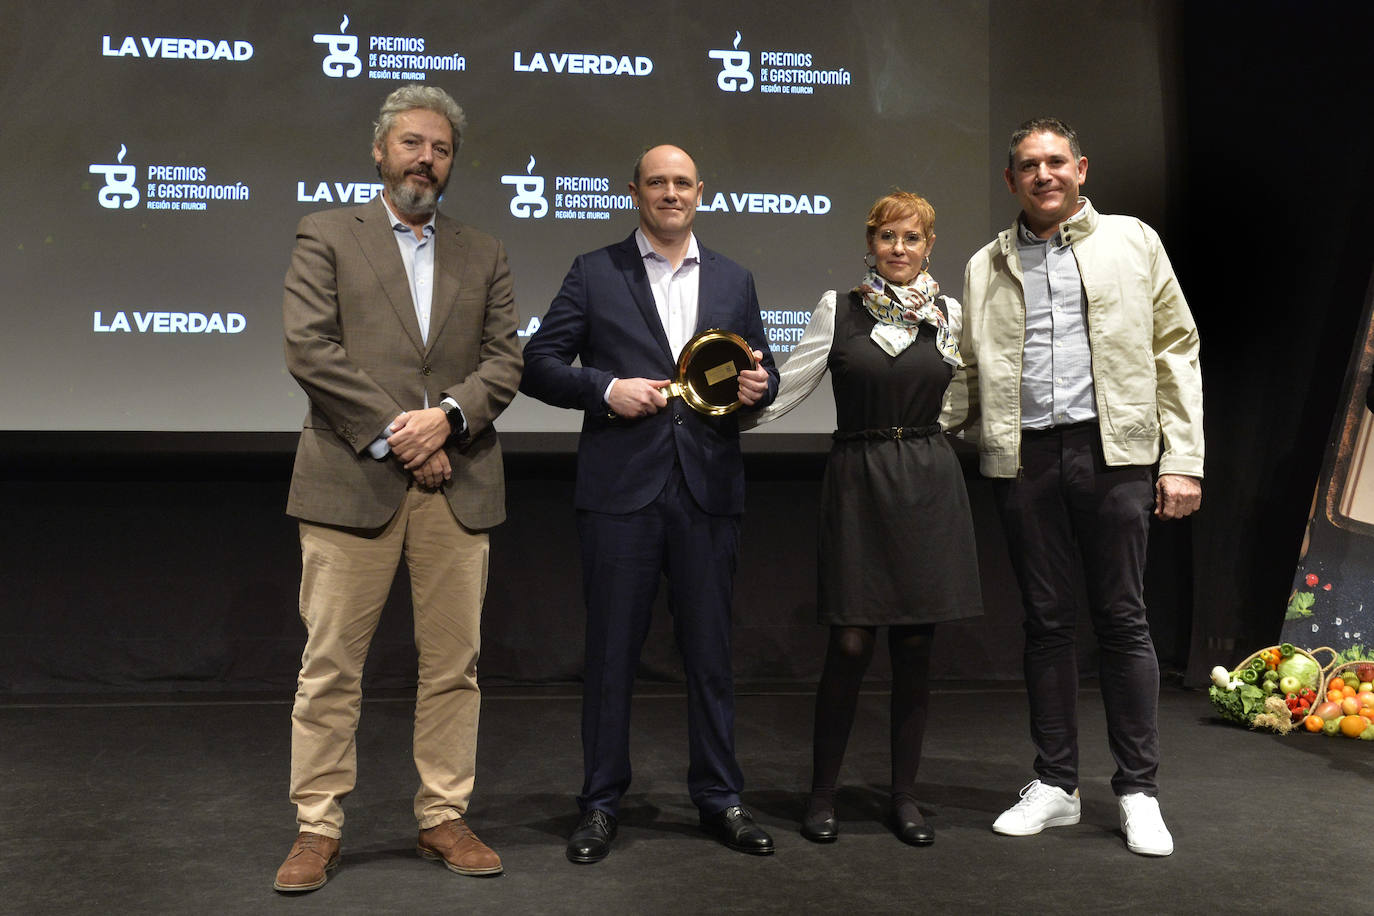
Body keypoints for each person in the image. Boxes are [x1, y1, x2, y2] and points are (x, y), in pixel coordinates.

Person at [273, 84, 523, 892]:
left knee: (454, 666)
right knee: (330, 668)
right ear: (380, 151)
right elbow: (310, 349)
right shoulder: (325, 234)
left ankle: (442, 816)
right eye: (412, 143)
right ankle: (317, 828)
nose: (426, 158)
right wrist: (400, 436)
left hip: (459, 483)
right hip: (353, 480)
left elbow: (505, 360)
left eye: (441, 148)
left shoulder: (483, 250)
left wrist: (446, 419)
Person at [945, 117, 1203, 857]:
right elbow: (966, 371)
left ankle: (1138, 791)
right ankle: (1057, 786)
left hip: (1113, 453)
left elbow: (1175, 348)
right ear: (1010, 180)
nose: (1044, 174)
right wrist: (903, 418)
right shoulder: (984, 264)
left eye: (1056, 161)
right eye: (1029, 165)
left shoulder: (1132, 240)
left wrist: (1182, 458)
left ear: (1081, 168)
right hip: (1024, 458)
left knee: (1123, 619)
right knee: (1046, 623)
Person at [519, 144, 780, 864]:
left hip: (707, 489)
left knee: (711, 657)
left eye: (682, 183)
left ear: (701, 191)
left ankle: (721, 798)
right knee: (609, 657)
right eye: (657, 182)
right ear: (633, 191)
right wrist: (603, 388)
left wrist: (765, 386)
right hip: (620, 493)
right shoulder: (594, 271)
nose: (670, 193)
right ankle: (600, 805)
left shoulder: (734, 277)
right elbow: (537, 364)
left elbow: (758, 366)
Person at [743, 191, 982, 847]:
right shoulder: (837, 309)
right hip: (858, 479)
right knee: (849, 646)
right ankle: (822, 797)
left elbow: (962, 398)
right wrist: (720, 422)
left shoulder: (949, 313)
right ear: (869, 243)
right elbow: (788, 386)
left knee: (914, 649)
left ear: (929, 245)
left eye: (911, 238)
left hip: (928, 483)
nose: (899, 249)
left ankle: (905, 798)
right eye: (887, 238)